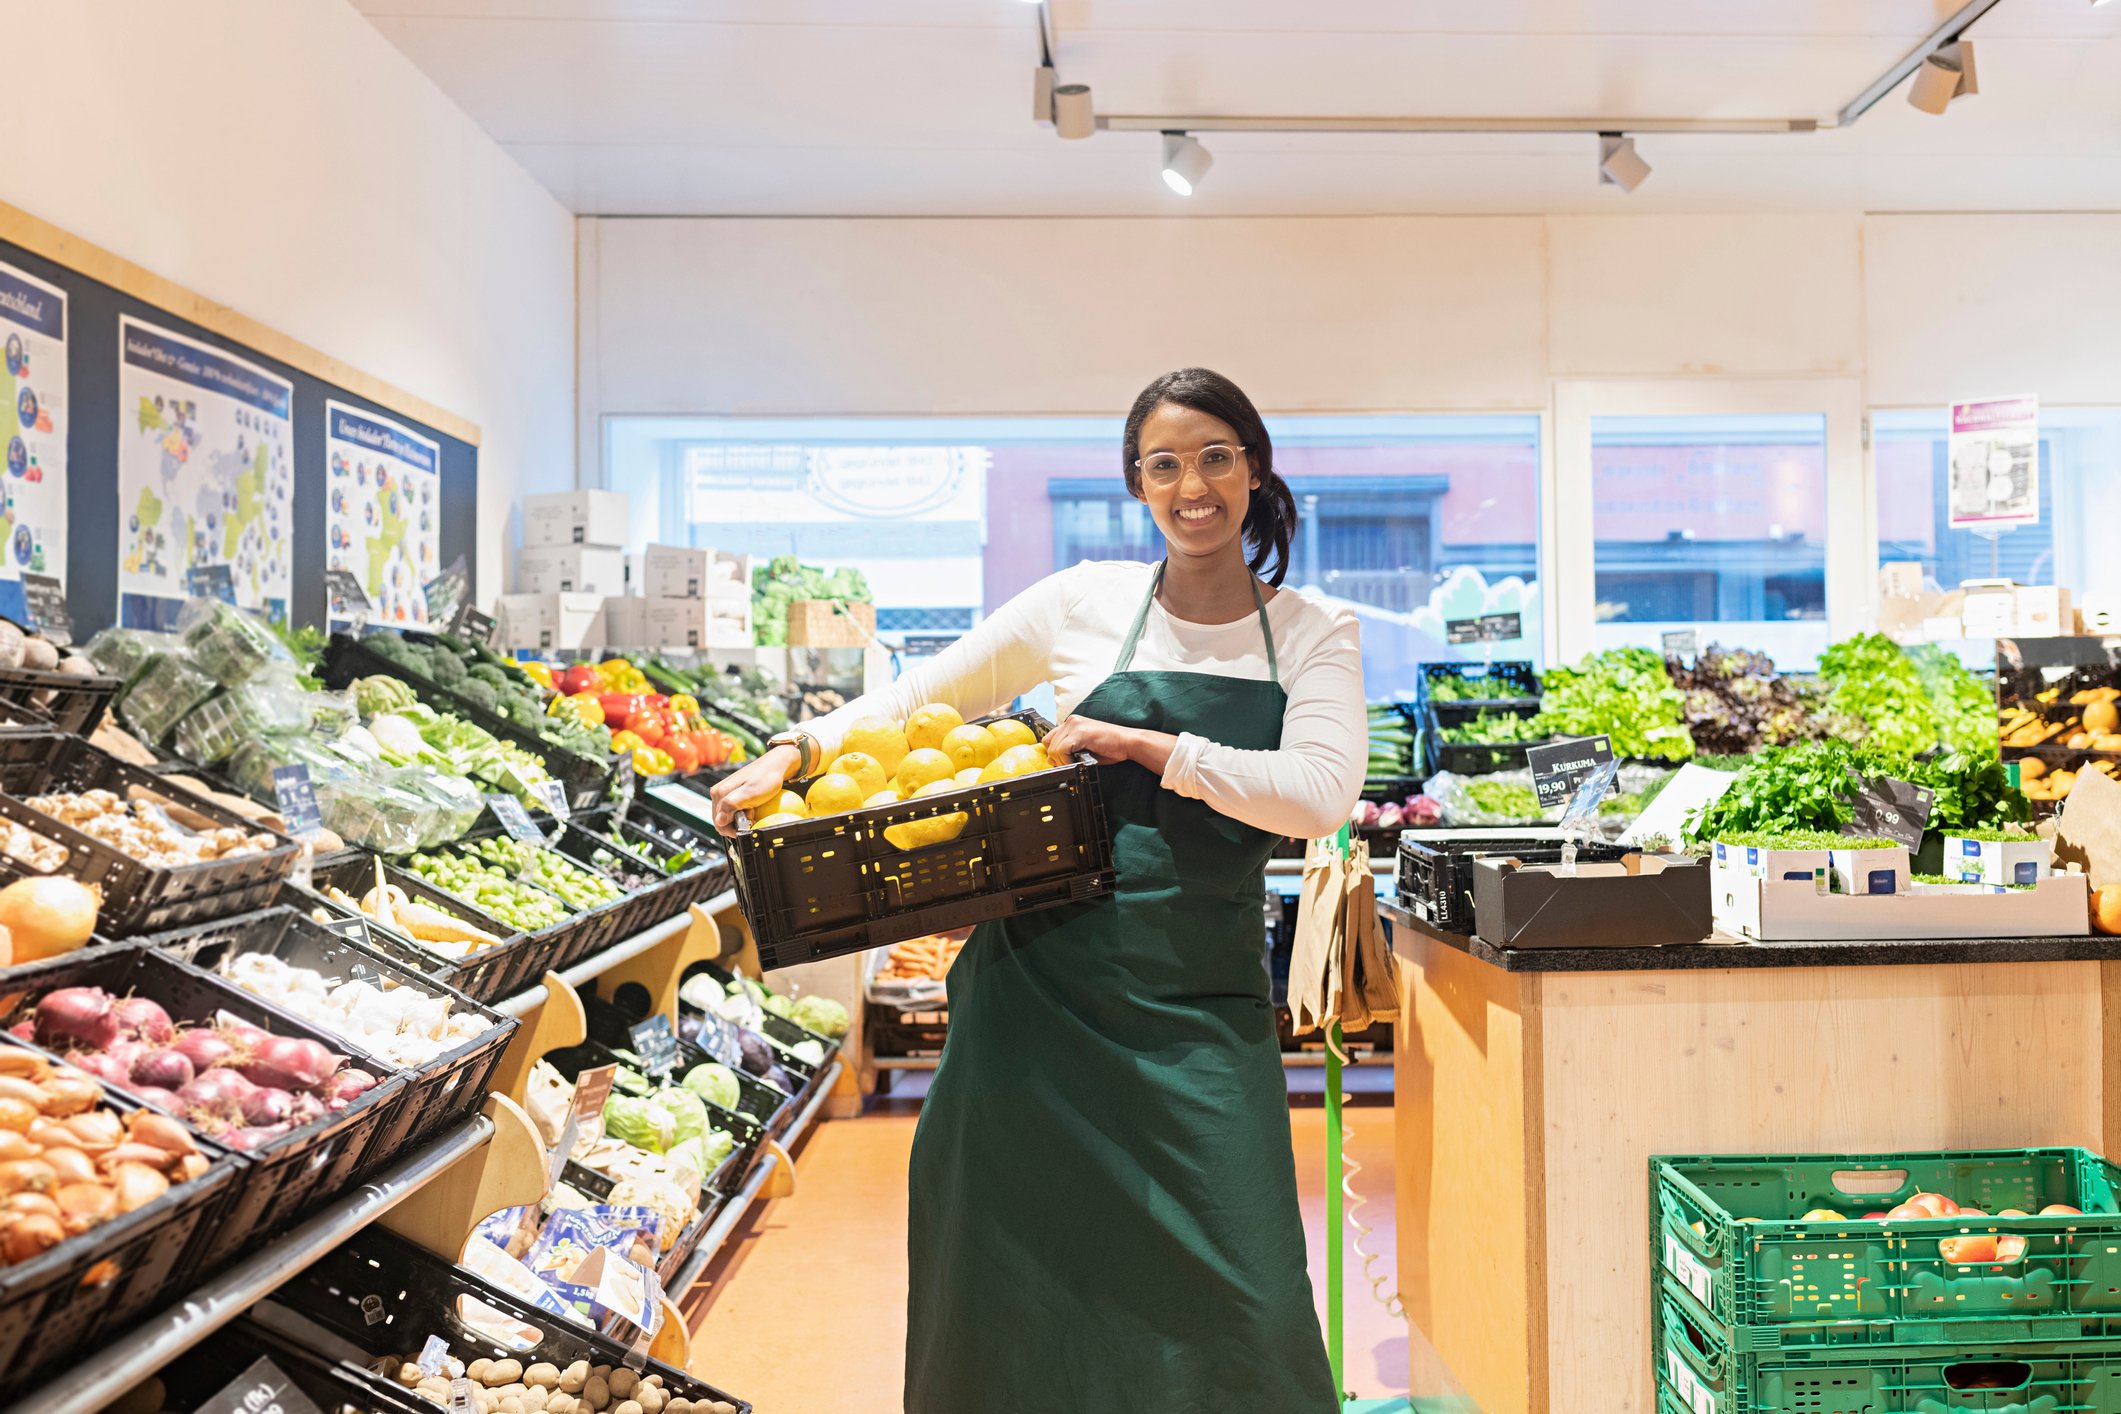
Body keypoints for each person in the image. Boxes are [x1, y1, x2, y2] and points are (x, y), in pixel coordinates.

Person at [710, 367, 1366, 1412]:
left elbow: (1320, 793)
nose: (1191, 484)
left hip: (1198, 1008)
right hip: (1037, 999)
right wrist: (793, 752)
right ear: (1136, 483)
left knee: (1246, 1297)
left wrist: (1147, 744)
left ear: (1254, 467)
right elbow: (920, 692)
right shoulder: (1083, 603)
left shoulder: (1314, 631)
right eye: (1164, 464)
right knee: (1014, 1293)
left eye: (1214, 457)